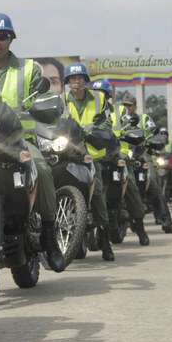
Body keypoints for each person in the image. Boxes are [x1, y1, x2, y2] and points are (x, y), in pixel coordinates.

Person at [0, 12, 66, 271]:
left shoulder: (28, 69)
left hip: (18, 142)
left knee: (41, 167)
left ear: (11, 39)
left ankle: (50, 236)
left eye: (3, 36)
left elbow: (46, 99)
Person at [64, 63, 116, 260]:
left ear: (86, 81)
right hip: (66, 152)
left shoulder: (99, 98)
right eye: (73, 79)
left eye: (80, 78)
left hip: (92, 152)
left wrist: (96, 130)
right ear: (68, 82)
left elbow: (107, 122)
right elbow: (51, 121)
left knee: (98, 193)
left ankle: (105, 241)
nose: (76, 82)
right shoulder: (60, 100)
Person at [91, 81, 150, 246]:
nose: (98, 96)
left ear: (108, 96)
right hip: (92, 154)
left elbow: (128, 129)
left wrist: (127, 141)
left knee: (130, 182)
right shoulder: (89, 109)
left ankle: (139, 226)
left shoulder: (119, 110)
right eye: (96, 92)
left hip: (118, 153)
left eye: (102, 93)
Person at [122, 93, 172, 233]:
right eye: (124, 105)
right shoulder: (118, 119)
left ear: (135, 107)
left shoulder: (144, 119)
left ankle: (165, 219)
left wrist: (152, 140)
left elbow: (153, 133)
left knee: (154, 185)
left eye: (129, 105)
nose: (127, 108)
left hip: (142, 155)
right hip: (122, 156)